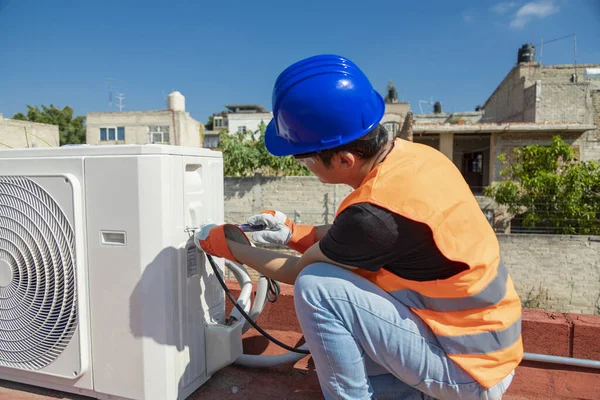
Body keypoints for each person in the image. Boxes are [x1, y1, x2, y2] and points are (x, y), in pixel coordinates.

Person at [195, 54, 523, 400]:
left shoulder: (372, 217)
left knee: (316, 287)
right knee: (328, 347)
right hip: (488, 349)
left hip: (469, 372)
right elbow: (348, 235)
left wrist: (231, 247)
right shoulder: (414, 158)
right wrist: (291, 232)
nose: (305, 166)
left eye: (304, 158)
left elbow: (296, 270)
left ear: (343, 159)